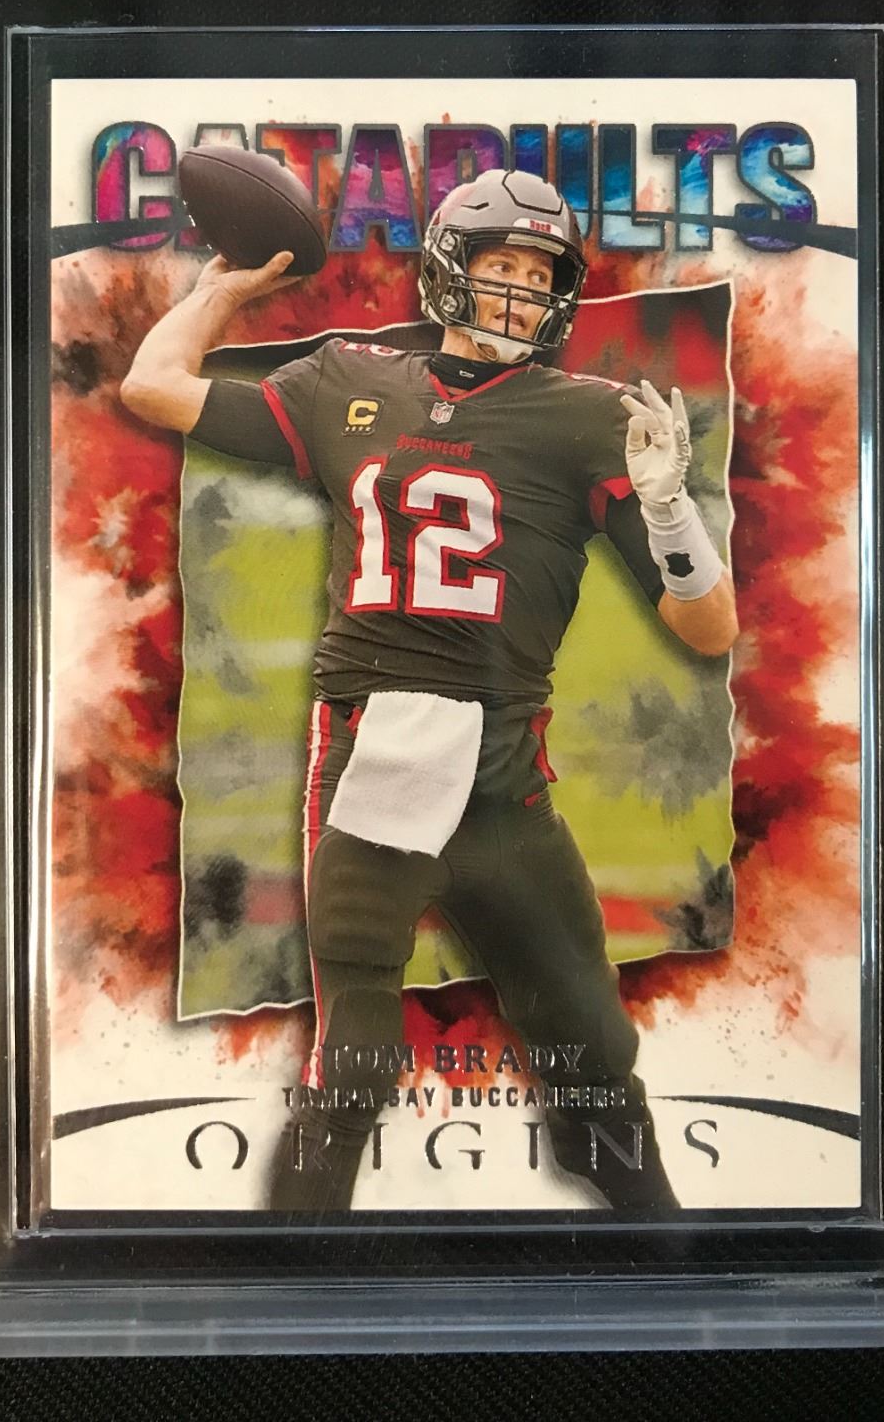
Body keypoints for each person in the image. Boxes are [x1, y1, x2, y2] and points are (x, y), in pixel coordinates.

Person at [121, 167, 737, 1212]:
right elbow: (153, 385)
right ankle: (290, 1272)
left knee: (593, 1053)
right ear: (450, 271)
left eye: (540, 276)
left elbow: (709, 630)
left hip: (504, 777)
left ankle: (668, 1259)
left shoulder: (590, 417)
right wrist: (221, 288)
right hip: (374, 758)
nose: (521, 293)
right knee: (352, 1064)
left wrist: (672, 512)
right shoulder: (345, 380)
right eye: (503, 267)